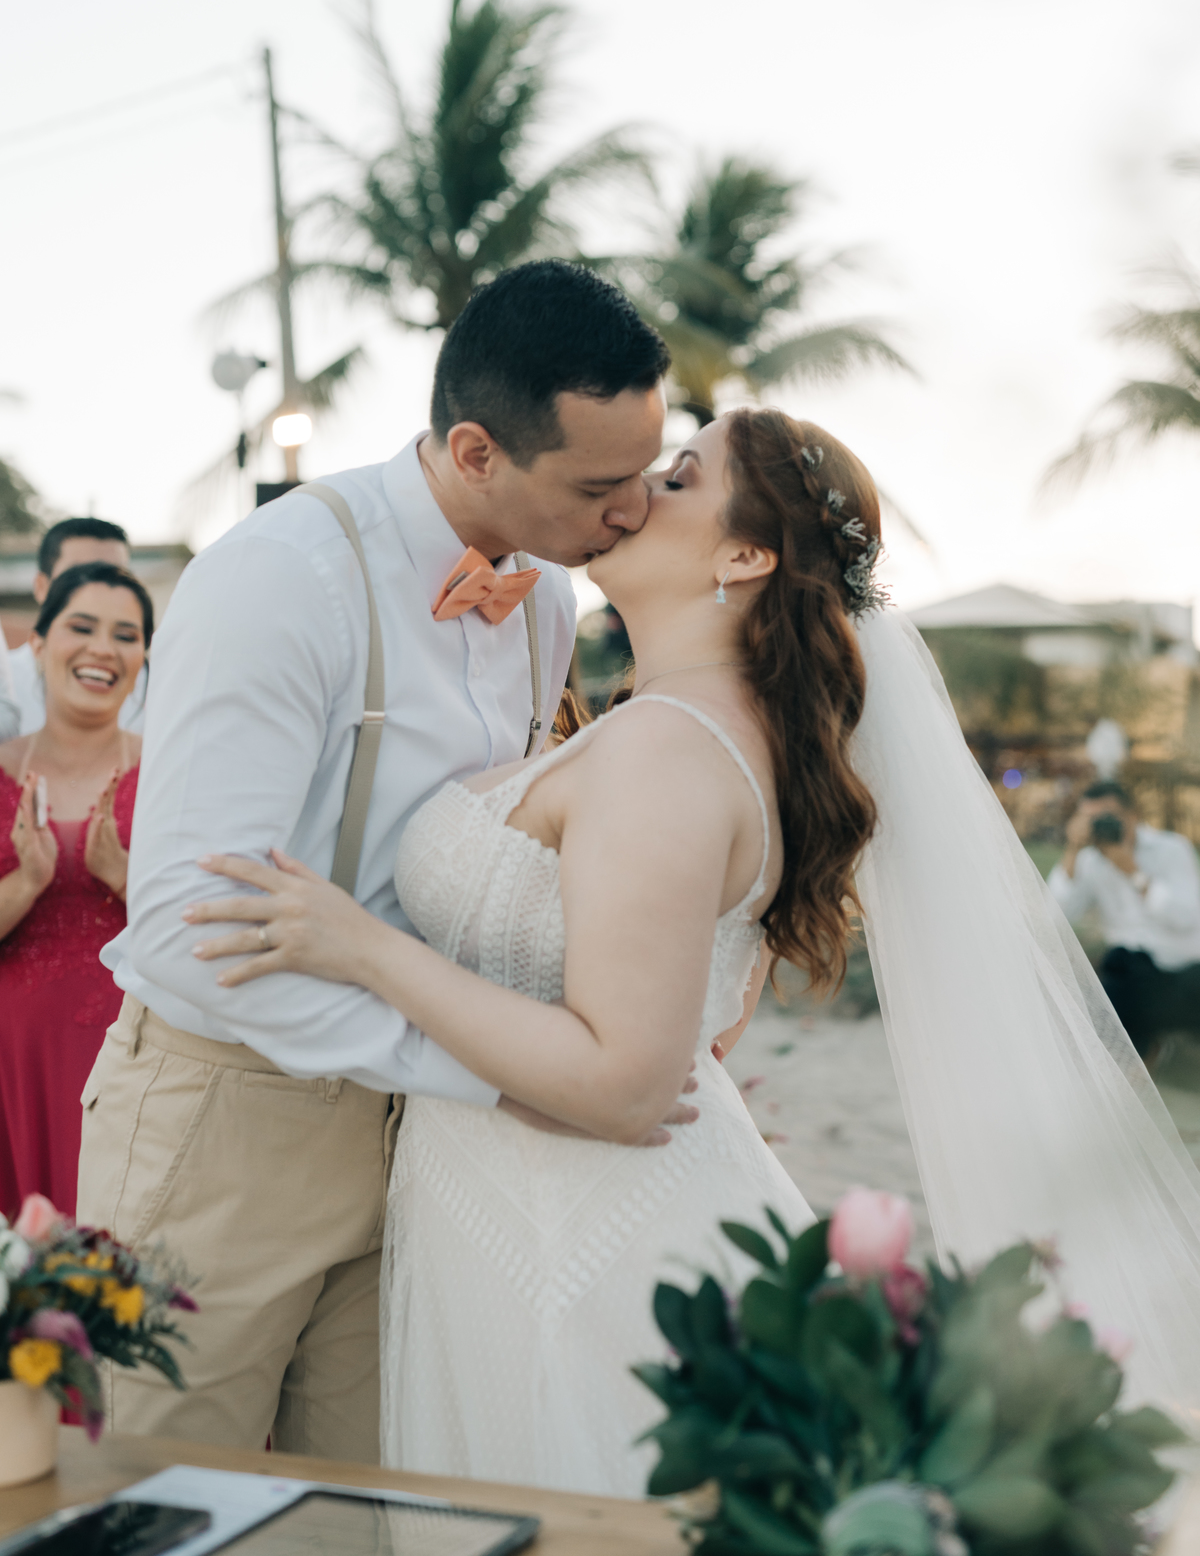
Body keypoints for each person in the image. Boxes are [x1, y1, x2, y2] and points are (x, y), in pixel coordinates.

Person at [193, 407, 1200, 1493]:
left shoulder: (670, 750)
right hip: (521, 1207)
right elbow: (699, 1010)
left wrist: (363, 949)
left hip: (579, 1239)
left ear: (744, 555)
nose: (630, 496)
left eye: (675, 479)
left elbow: (627, 1083)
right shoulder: (683, 727)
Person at [75, 260, 676, 1462]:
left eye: (648, 476)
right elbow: (196, 923)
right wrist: (491, 1073)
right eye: (601, 486)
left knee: (364, 1513)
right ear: (474, 452)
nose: (633, 512)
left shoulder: (548, 605)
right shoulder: (278, 580)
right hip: (222, 1119)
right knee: (156, 1505)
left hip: (423, 1148)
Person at [0, 562, 151, 1219]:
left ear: (144, 657)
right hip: (12, 1058)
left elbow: (213, 926)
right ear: (39, 642)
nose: (102, 649)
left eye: (126, 634)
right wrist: (29, 881)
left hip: (134, 1054)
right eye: (81, 626)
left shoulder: (173, 770)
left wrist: (124, 878)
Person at [1049, 780, 1200, 1055]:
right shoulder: (1089, 859)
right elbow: (1055, 914)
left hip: (1180, 967)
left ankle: (1145, 1051)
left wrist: (1132, 871)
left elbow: (1186, 917)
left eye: (1105, 817)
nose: (1099, 825)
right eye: (1089, 819)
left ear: (1132, 815)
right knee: (1110, 994)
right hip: (1128, 970)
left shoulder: (1171, 848)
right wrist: (1072, 851)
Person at [9, 519, 149, 735]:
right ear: (40, 586)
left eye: (114, 577)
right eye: (77, 577)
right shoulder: (5, 683)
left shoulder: (154, 691)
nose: (98, 590)